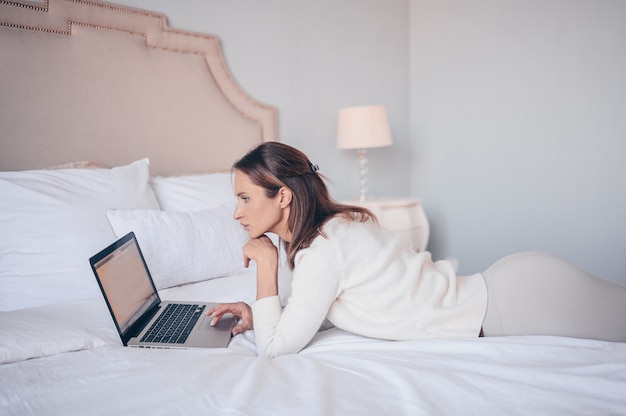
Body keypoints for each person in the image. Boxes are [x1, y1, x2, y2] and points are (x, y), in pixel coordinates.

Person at [207, 142, 626, 358]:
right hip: (512, 288)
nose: (236, 213)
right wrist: (259, 307)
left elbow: (276, 348)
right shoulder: (324, 235)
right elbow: (310, 308)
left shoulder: (324, 247)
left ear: (282, 196)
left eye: (244, 198)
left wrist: (264, 262)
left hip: (520, 303)